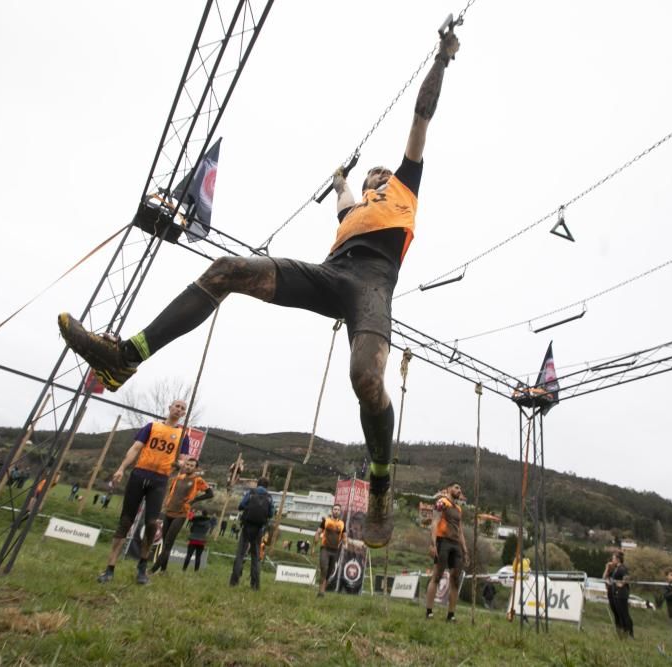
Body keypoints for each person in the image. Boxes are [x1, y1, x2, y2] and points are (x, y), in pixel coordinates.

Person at [57, 30, 462, 550]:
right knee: (227, 269)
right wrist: (342, 178)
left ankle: (381, 481)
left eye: (379, 172)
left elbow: (421, 118)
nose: (376, 176)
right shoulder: (354, 208)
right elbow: (342, 193)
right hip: (330, 275)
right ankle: (125, 356)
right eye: (369, 177)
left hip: (373, 289)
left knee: (364, 375)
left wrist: (442, 60)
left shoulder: (405, 184)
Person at [96, 399, 190, 585]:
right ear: (170, 407)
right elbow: (136, 448)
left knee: (152, 523)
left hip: (160, 480)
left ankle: (142, 567)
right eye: (177, 406)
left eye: (183, 408)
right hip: (139, 475)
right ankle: (109, 568)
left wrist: (179, 465)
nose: (179, 409)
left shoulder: (183, 435)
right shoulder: (152, 426)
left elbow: (183, 460)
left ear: (184, 414)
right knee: (126, 520)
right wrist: (122, 468)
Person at [151, 456, 213, 574]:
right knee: (164, 542)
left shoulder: (198, 480)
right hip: (169, 511)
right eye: (187, 465)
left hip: (181, 513)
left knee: (168, 543)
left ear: (196, 468)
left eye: (191, 466)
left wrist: (194, 500)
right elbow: (171, 492)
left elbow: (210, 493)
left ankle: (153, 569)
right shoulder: (178, 477)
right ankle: (163, 570)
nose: (189, 467)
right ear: (185, 465)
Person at [424, 483, 468, 622]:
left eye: (460, 488)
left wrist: (465, 550)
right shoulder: (442, 502)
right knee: (437, 575)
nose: (459, 490)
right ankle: (429, 611)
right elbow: (435, 522)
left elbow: (460, 531)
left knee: (455, 579)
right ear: (449, 489)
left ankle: (451, 614)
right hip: (443, 541)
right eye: (456, 487)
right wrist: (432, 543)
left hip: (456, 544)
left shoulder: (459, 509)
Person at [229, 477, 274, 590]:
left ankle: (234, 581)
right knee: (256, 556)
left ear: (257, 484)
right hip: (259, 529)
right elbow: (271, 514)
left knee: (240, 553)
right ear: (267, 486)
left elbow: (241, 505)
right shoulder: (269, 497)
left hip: (247, 526)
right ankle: (255, 585)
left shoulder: (250, 493)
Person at [313, 503, 346, 597]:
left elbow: (344, 536)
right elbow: (318, 532)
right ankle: (321, 592)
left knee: (329, 572)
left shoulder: (342, 524)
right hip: (325, 549)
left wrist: (346, 543)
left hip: (335, 551)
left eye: (338, 510)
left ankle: (322, 590)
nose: (336, 511)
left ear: (340, 512)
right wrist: (315, 540)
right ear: (332, 511)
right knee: (324, 569)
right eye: (335, 509)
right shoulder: (325, 521)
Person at [604, 551, 633, 638]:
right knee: (619, 613)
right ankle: (622, 632)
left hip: (622, 594)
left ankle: (629, 633)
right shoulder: (616, 568)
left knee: (624, 614)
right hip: (615, 594)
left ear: (617, 559)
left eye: (613, 558)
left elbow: (627, 577)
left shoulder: (622, 568)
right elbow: (606, 577)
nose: (612, 560)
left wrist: (622, 584)